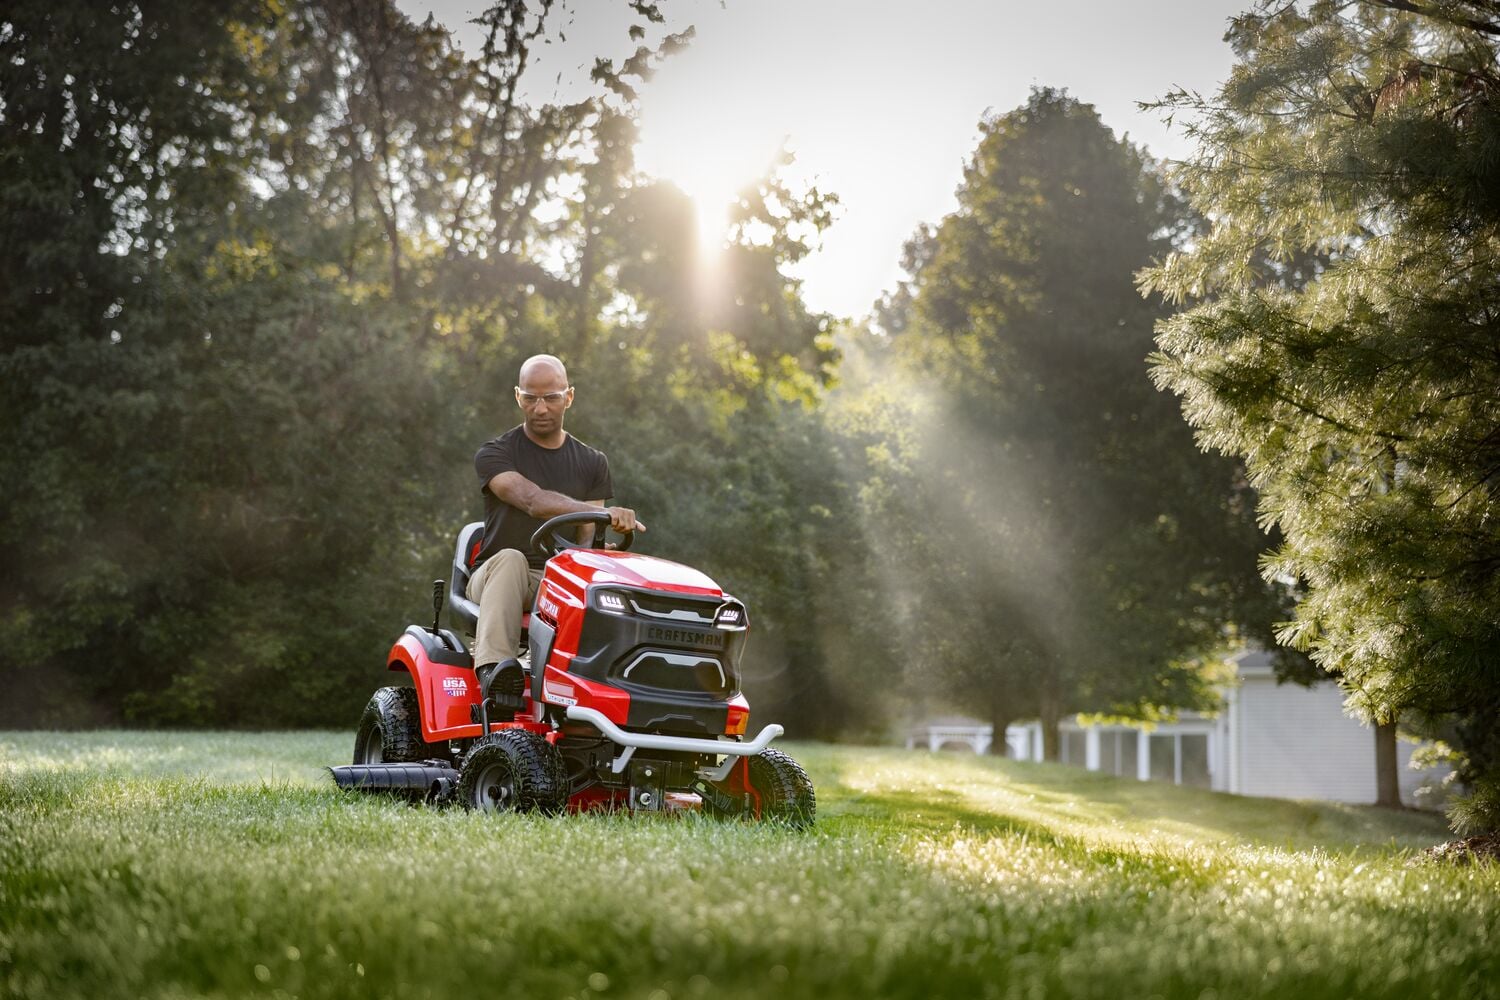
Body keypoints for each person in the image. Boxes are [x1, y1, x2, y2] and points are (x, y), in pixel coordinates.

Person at [467, 354, 643, 686]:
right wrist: (601, 512)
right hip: (496, 576)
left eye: (551, 397)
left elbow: (586, 540)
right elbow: (532, 501)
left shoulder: (592, 462)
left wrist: (613, 527)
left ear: (569, 397)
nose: (541, 408)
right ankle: (496, 673)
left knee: (608, 585)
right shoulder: (495, 453)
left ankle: (610, 683)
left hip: (556, 580)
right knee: (510, 559)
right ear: (518, 397)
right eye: (531, 398)